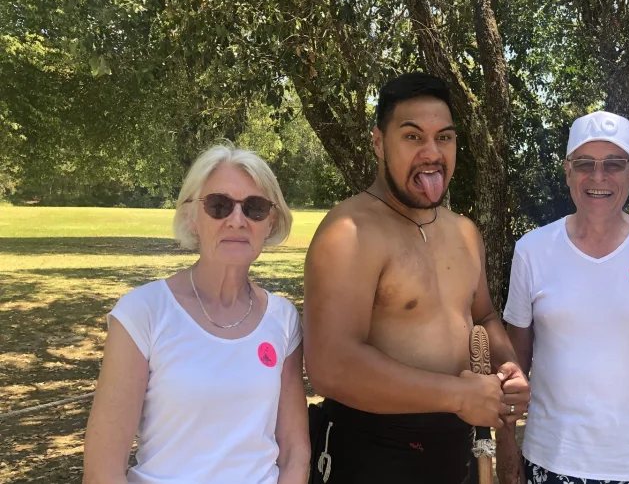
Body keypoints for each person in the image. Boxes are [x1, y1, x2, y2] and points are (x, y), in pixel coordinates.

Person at [302, 72, 530, 484]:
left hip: (455, 453)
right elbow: (329, 366)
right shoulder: (348, 231)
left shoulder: (464, 231)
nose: (432, 152)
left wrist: (507, 365)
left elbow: (484, 317)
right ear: (378, 142)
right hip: (372, 456)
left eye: (444, 137)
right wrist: (458, 395)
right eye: (412, 137)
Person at [82, 145, 310, 484]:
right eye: (218, 206)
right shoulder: (143, 312)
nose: (237, 220)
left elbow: (294, 452)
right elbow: (103, 470)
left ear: (270, 221)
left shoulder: (283, 319)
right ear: (192, 216)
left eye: (255, 208)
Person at [497, 110, 629, 484]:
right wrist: (508, 460)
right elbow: (514, 364)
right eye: (584, 164)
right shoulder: (532, 250)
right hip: (551, 460)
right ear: (567, 172)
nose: (598, 177)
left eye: (613, 164)